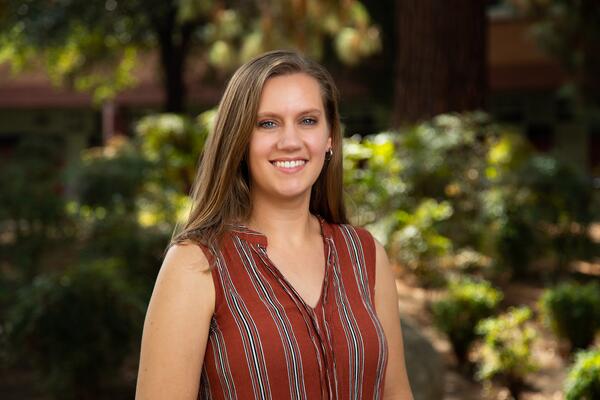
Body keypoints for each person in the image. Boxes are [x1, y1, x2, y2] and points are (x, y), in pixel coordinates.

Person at [135, 49, 413, 399]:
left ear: (329, 138)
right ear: (240, 140)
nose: (290, 141)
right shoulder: (196, 264)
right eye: (267, 123)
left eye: (308, 121)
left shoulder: (365, 254)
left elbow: (397, 393)